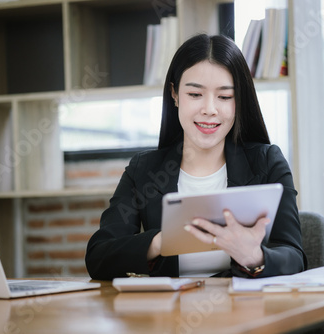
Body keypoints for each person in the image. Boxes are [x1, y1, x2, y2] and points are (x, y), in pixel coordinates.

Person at [86, 34, 307, 280]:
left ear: (239, 101)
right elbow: (99, 257)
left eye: (224, 96)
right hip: (170, 314)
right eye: (195, 94)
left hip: (246, 311)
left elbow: (295, 258)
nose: (209, 109)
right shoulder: (143, 169)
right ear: (175, 94)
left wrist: (254, 257)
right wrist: (162, 241)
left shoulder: (267, 163)